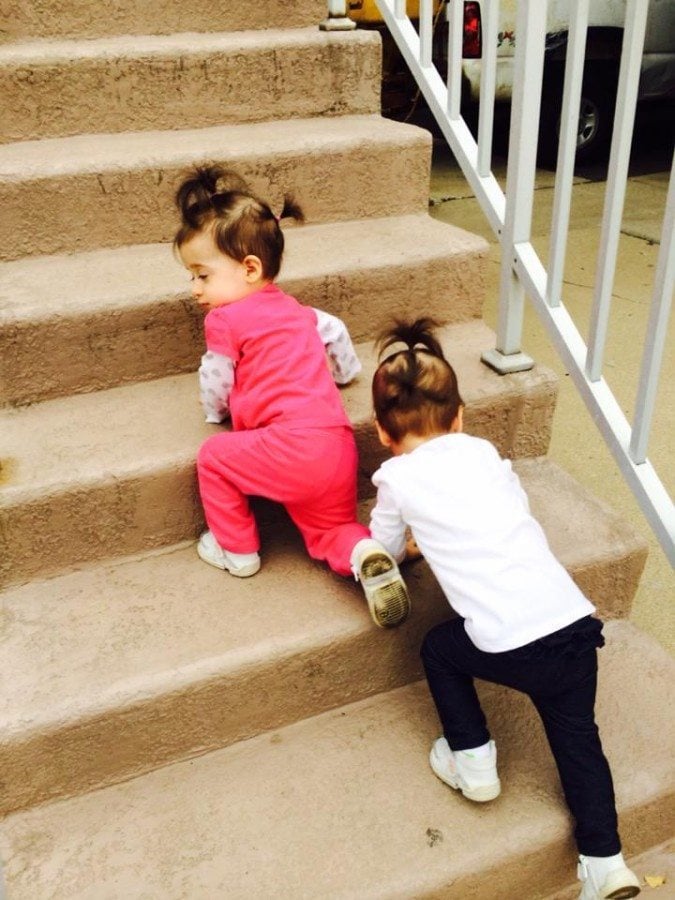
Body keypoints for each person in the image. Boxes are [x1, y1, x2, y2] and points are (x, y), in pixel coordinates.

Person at [367, 317, 641, 899]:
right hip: (571, 626)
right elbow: (509, 508)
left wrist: (414, 543)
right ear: (460, 416)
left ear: (381, 431)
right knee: (578, 741)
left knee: (440, 649)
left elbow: (386, 548)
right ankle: (606, 862)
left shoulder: (395, 478)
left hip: (509, 641)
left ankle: (474, 762)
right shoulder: (486, 454)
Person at [172, 165, 410, 628]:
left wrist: (213, 411)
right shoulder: (298, 311)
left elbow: (217, 374)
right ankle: (366, 554)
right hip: (335, 445)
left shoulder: (223, 320)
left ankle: (236, 548)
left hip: (286, 446)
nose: (195, 289)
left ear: (249, 268)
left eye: (201, 275)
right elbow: (336, 332)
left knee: (214, 457)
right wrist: (346, 373)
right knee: (330, 531)